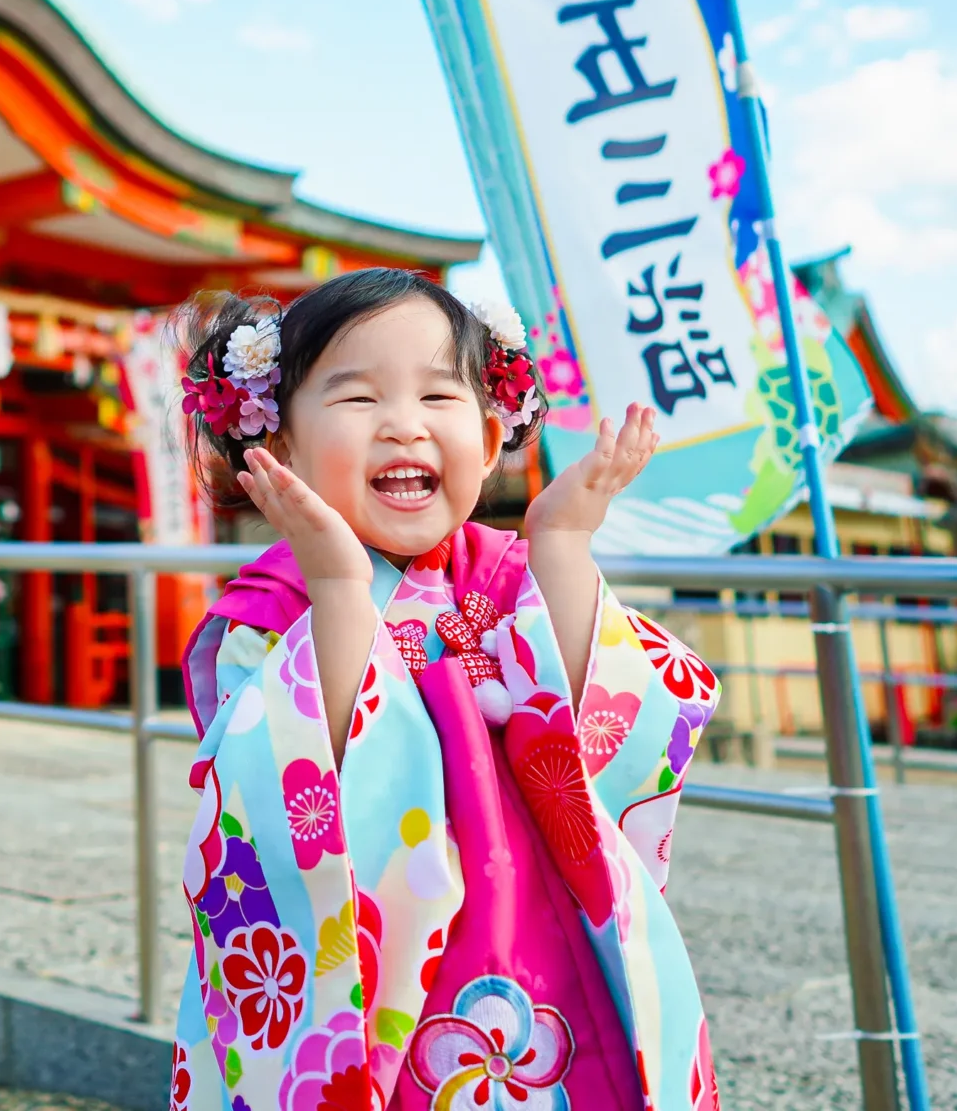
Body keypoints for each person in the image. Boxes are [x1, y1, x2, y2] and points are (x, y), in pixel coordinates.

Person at [170, 269, 722, 1111]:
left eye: (439, 394)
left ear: (494, 432)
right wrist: (340, 591)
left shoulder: (506, 571)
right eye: (357, 399)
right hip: (372, 974)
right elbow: (295, 785)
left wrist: (562, 542)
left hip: (548, 948)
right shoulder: (276, 603)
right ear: (279, 446)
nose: (404, 425)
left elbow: (592, 725)